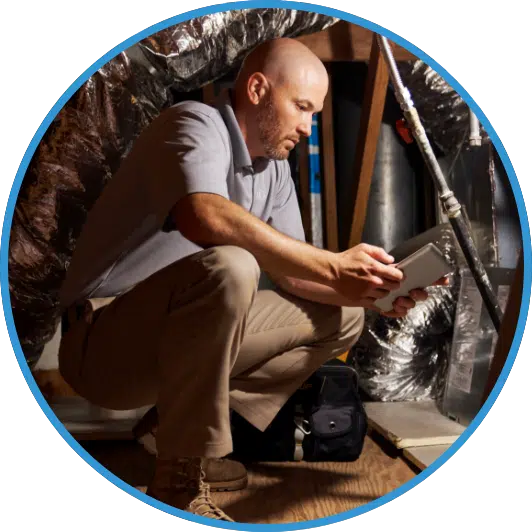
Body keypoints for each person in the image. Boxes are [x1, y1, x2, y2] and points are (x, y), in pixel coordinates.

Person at [57, 37, 447, 522]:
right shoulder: (192, 125)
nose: (309, 126)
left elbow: (297, 279)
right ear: (259, 89)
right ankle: (179, 481)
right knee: (233, 266)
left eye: (316, 113)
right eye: (302, 107)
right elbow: (204, 216)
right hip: (101, 347)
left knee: (343, 314)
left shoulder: (274, 171)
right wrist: (331, 264)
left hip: (167, 342)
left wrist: (372, 293)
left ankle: (169, 434)